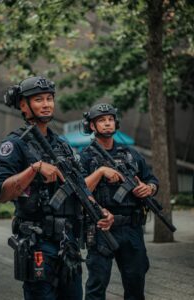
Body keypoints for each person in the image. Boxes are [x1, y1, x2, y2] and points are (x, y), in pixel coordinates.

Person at [0, 76, 114, 300]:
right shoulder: (15, 144)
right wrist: (34, 169)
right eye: (39, 99)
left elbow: (79, 186)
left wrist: (100, 211)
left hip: (69, 243)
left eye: (50, 98)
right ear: (23, 105)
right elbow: (1, 193)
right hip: (38, 242)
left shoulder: (62, 145)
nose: (47, 104)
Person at [80, 103, 159, 300]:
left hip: (132, 228)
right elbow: (79, 190)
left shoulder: (131, 154)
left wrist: (148, 188)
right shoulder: (85, 157)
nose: (107, 124)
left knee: (135, 283)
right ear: (92, 126)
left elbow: (152, 180)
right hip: (102, 229)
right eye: (101, 120)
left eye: (110, 119)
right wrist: (99, 172)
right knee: (97, 284)